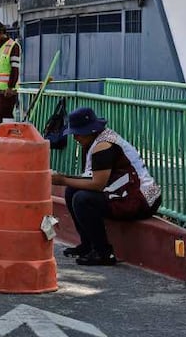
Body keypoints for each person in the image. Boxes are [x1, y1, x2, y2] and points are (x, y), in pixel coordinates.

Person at [51, 107, 162, 266]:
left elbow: (97, 184)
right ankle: (87, 245)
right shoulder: (95, 141)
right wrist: (64, 179)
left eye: (78, 133)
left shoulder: (104, 146)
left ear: (90, 131)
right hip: (125, 193)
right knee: (72, 192)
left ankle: (103, 252)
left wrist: (62, 180)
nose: (75, 137)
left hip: (142, 199)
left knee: (83, 199)